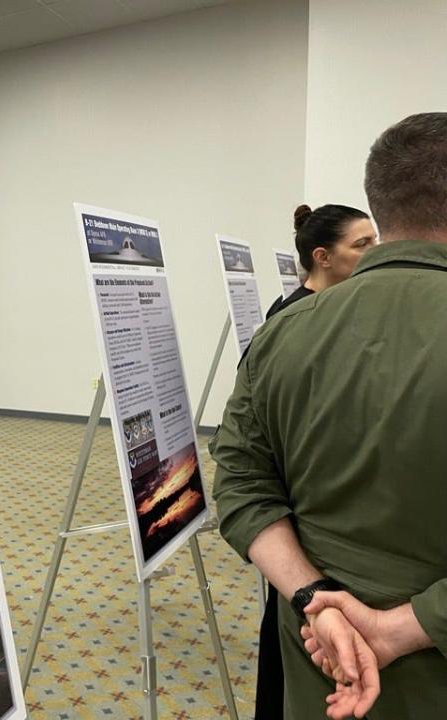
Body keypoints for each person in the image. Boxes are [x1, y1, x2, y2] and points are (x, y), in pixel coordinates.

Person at [211, 112, 447, 720]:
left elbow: (241, 487)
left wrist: (315, 597)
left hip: (320, 666)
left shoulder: (281, 335)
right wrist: (408, 625)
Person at [253, 203, 376, 720]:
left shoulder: (350, 314)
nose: (376, 254)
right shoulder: (289, 322)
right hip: (298, 518)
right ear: (323, 257)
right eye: (363, 246)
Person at [265, 204, 377, 319]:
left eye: (375, 241)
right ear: (323, 257)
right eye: (362, 244)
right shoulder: (294, 314)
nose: (377, 250)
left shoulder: (342, 303)